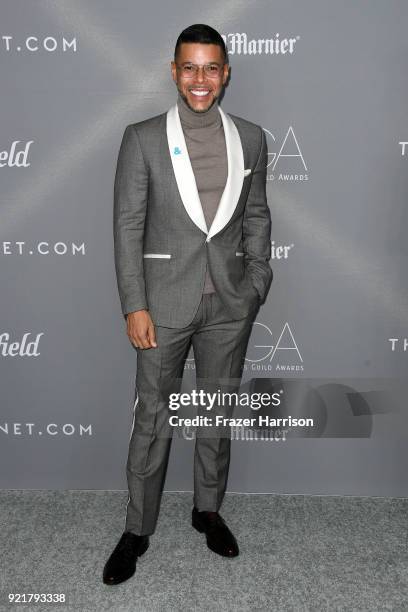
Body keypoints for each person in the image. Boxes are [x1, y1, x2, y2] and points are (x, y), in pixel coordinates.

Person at [103, 23, 272, 585]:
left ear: (226, 74)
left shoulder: (250, 137)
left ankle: (207, 510)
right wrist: (135, 303)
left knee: (216, 415)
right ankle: (137, 527)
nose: (201, 79)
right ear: (173, 70)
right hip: (163, 304)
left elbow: (256, 216)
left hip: (228, 303)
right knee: (152, 419)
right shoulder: (143, 137)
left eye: (212, 68)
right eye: (190, 67)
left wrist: (256, 283)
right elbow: (127, 227)